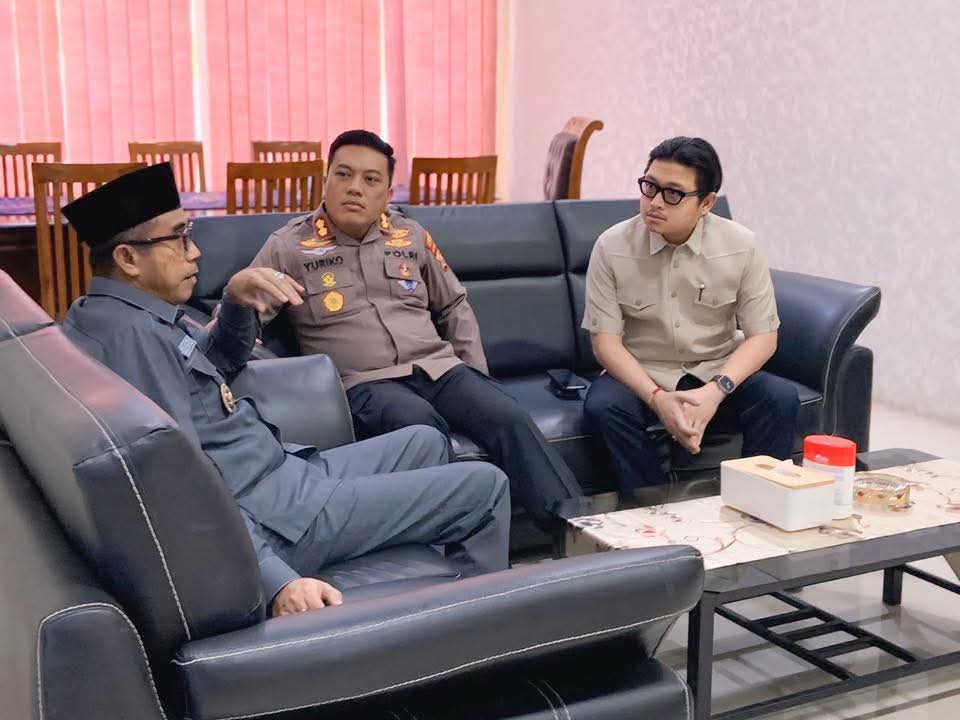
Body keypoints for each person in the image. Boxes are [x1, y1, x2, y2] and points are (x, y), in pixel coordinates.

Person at [61, 163, 510, 617]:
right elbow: (180, 483)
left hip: (282, 477)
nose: (195, 252)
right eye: (179, 238)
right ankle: (476, 628)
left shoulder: (125, 314)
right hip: (279, 517)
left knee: (425, 441)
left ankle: (424, 596)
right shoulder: (132, 341)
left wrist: (235, 303)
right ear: (128, 259)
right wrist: (275, 579)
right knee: (486, 486)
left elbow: (214, 366)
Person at [249, 129, 582, 529]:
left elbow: (453, 305)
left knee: (508, 416)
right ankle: (465, 543)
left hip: (439, 369)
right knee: (420, 427)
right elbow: (242, 316)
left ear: (388, 194)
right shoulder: (288, 246)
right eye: (343, 174)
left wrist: (475, 374)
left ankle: (578, 532)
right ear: (326, 180)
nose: (355, 187)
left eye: (371, 179)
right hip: (364, 383)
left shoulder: (411, 235)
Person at [582, 136, 799, 493]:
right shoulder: (612, 246)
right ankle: (654, 509)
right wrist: (657, 398)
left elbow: (763, 337)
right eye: (649, 186)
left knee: (778, 398)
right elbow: (605, 344)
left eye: (673, 194)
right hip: (643, 374)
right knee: (603, 408)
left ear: (706, 203)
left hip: (717, 370)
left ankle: (758, 503)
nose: (654, 202)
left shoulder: (741, 245)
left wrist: (715, 392)